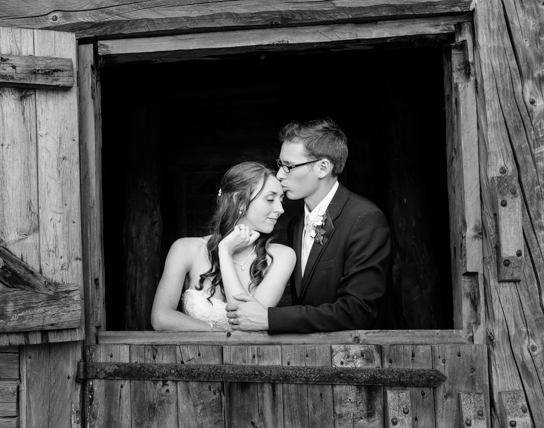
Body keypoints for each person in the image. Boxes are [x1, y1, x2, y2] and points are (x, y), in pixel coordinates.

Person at [225, 118, 391, 333]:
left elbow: (358, 311)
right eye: (280, 165)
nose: (280, 175)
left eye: (289, 166)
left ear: (322, 168)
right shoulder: (296, 223)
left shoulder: (364, 218)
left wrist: (271, 319)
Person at [151, 162, 296, 331]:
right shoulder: (185, 249)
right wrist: (218, 335)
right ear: (238, 201)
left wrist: (225, 253)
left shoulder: (282, 256)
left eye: (281, 200)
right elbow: (160, 318)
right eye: (270, 199)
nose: (280, 209)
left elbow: (246, 321)